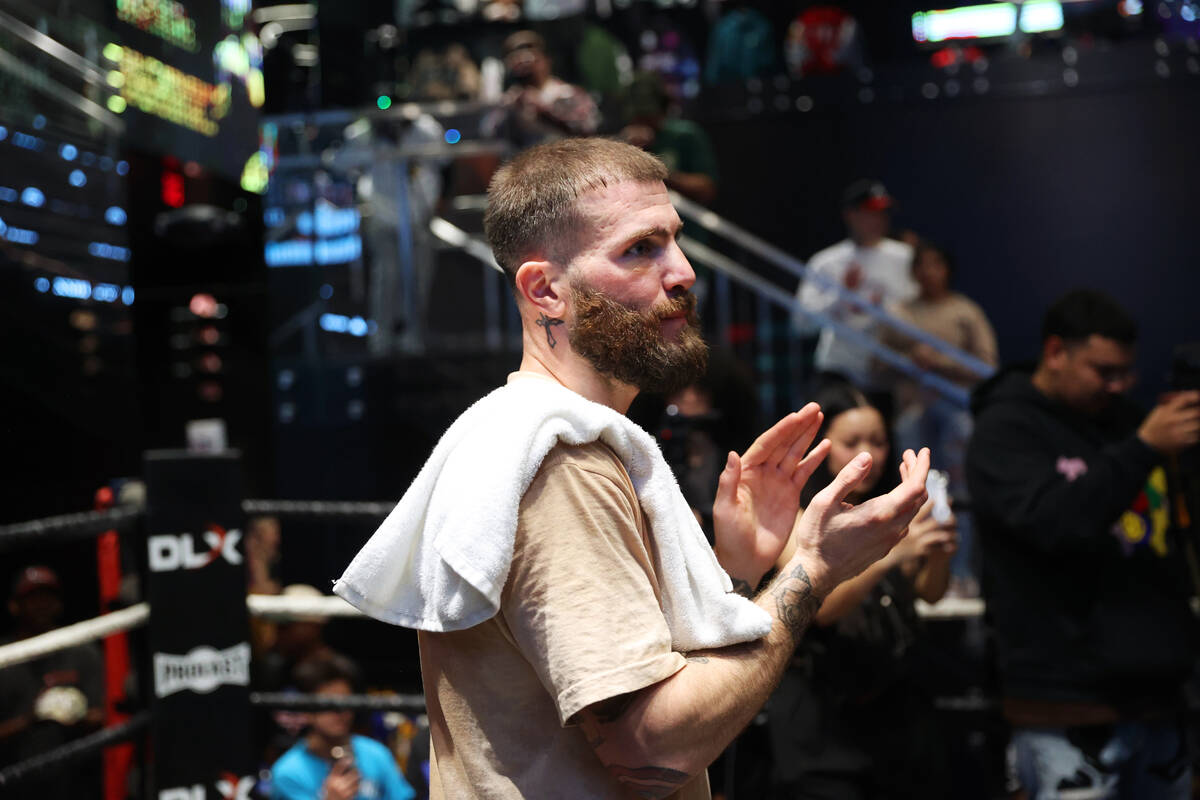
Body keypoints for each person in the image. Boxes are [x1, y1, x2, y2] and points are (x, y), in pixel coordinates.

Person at [334, 137, 931, 799]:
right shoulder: (564, 466)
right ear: (545, 290)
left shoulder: (528, 434)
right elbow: (649, 752)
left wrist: (736, 574)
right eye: (639, 250)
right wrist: (811, 571)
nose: (682, 273)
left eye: (673, 241)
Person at [966, 289, 1200, 798]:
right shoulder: (1005, 429)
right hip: (1063, 704)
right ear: (1055, 352)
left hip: (1161, 697)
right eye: (1103, 371)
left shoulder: (1131, 423)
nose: (1116, 386)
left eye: (1125, 373)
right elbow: (1054, 524)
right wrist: (1141, 451)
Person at [769, 382, 957, 799]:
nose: (868, 453)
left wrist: (939, 550)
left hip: (894, 704)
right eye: (851, 441)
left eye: (878, 440)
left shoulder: (890, 506)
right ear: (821, 447)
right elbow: (821, 608)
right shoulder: (796, 514)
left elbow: (928, 592)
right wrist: (890, 552)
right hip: (821, 712)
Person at [883, 240, 998, 594]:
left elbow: (987, 364)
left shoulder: (965, 310)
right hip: (913, 411)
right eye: (922, 264)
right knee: (912, 494)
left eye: (937, 264)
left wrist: (939, 362)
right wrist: (909, 357)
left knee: (956, 493)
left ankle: (959, 574)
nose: (929, 272)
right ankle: (911, 572)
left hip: (955, 411)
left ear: (948, 269)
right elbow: (878, 362)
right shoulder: (900, 312)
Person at [795, 180, 917, 393]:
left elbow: (921, 314)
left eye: (883, 212)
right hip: (839, 370)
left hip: (890, 372)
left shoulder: (905, 257)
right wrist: (842, 294)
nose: (878, 220)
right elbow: (801, 324)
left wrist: (883, 308)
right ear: (850, 215)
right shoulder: (826, 261)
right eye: (870, 212)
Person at [0, 566, 104, 799]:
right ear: (14, 606)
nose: (42, 604)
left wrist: (73, 713)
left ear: (59, 603)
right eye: (33, 598)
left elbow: (105, 716)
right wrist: (30, 719)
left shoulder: (81, 651)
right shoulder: (3, 658)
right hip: (14, 785)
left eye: (48, 597)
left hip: (76, 784)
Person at [270, 654, 416, 800]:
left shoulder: (376, 754)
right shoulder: (288, 773)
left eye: (346, 703)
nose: (340, 712)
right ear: (306, 710)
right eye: (329, 704)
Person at [481, 30, 601, 148]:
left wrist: (544, 109)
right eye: (516, 62)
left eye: (529, 59)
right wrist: (507, 109)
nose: (523, 66)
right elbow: (489, 133)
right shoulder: (512, 101)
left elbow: (587, 130)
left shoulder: (568, 93)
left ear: (546, 60)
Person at [620, 72, 718, 206]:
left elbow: (706, 189)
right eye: (637, 115)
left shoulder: (685, 135)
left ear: (662, 109)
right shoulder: (623, 143)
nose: (642, 121)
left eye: (648, 115)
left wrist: (660, 173)